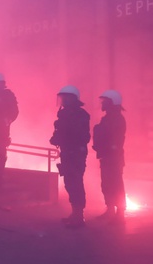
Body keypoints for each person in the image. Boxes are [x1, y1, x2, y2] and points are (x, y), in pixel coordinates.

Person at [49, 85, 91, 229]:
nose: (63, 101)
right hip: (68, 152)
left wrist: (63, 139)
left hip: (75, 154)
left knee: (75, 183)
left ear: (73, 98)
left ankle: (79, 216)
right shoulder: (64, 114)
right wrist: (57, 138)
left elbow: (81, 136)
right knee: (69, 183)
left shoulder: (80, 115)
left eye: (66, 98)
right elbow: (61, 130)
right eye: (62, 98)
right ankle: (75, 214)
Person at [92, 89, 127, 224]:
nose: (102, 104)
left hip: (113, 157)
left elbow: (116, 139)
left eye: (104, 102)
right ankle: (110, 210)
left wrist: (109, 149)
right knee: (106, 184)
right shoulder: (108, 118)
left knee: (116, 185)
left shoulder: (117, 119)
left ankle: (119, 214)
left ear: (112, 103)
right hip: (107, 156)